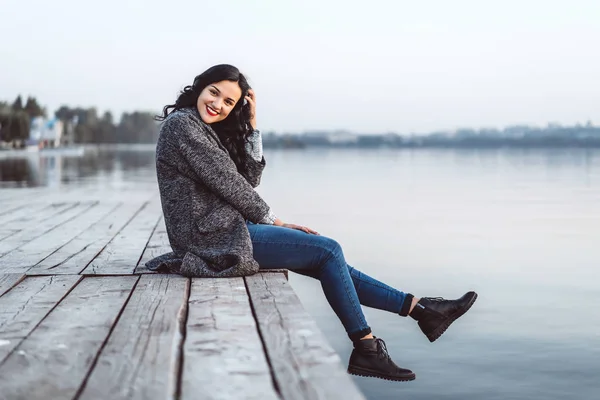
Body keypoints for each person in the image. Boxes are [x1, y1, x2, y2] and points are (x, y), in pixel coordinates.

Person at [147, 64, 477, 382]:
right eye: (214, 93)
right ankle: (367, 346)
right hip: (210, 237)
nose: (218, 104)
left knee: (326, 258)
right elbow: (231, 185)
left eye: (229, 102)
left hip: (221, 230)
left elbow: (247, 179)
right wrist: (274, 221)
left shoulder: (201, 128)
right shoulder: (184, 127)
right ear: (200, 87)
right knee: (328, 250)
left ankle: (422, 310)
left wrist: (252, 122)